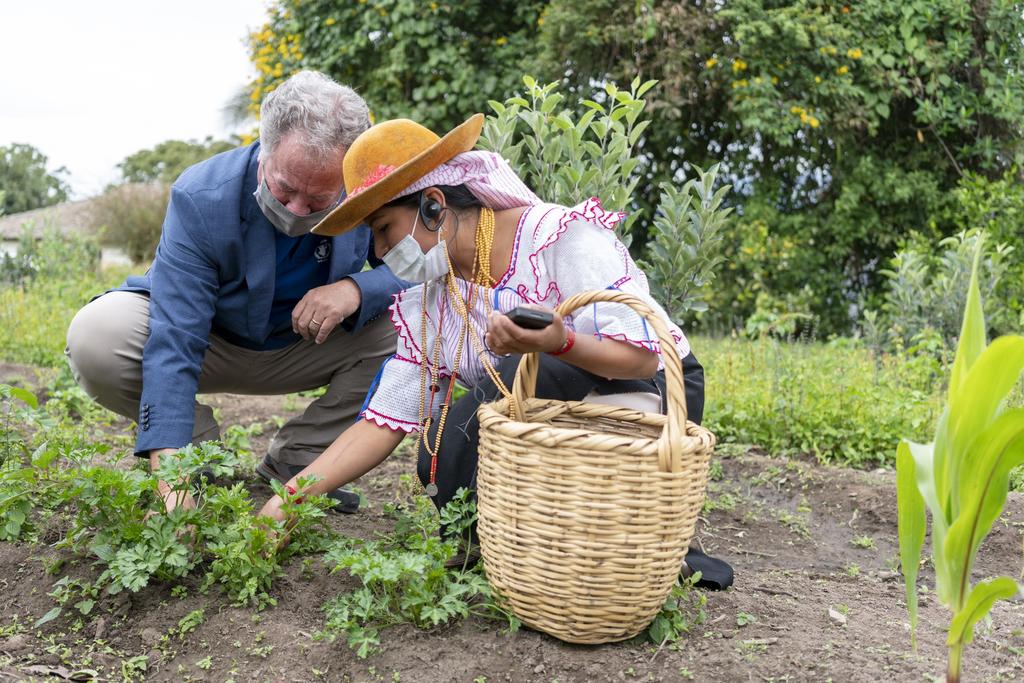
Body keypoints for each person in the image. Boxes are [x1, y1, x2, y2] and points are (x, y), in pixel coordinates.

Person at [256, 113, 707, 531]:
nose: (377, 252)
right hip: (547, 407)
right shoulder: (436, 297)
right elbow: (384, 422)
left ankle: (617, 530)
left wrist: (560, 343)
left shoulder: (560, 238)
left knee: (521, 373)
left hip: (643, 396)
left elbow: (643, 360)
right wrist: (289, 500)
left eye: (383, 228)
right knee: (444, 444)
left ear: (433, 205)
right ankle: (514, 543)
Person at [65, 71, 405, 514]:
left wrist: (357, 288)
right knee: (97, 334)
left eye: (319, 199)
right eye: (284, 188)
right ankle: (197, 449)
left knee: (415, 325)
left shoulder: (369, 190)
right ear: (264, 149)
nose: (297, 210)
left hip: (303, 345)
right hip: (211, 340)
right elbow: (176, 339)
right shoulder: (202, 197)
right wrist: (173, 476)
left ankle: (301, 459)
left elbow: (419, 267)